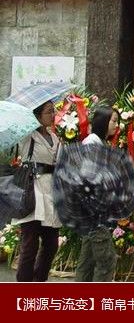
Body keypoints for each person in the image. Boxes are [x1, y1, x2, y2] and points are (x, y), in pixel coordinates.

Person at [13, 100, 61, 282]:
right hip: (32, 193)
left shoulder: (54, 138)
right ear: (38, 115)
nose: (53, 115)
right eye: (49, 111)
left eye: (53, 111)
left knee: (51, 244)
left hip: (50, 193)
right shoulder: (27, 136)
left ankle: (39, 281)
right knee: (30, 244)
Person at [74, 105, 123, 282]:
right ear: (103, 121)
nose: (116, 125)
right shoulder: (92, 143)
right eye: (114, 121)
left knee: (87, 260)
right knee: (107, 260)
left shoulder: (98, 142)